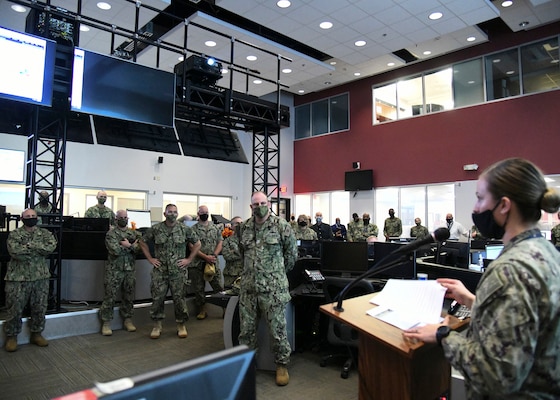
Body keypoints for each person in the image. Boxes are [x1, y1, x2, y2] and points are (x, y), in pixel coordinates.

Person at [403, 158, 560, 399]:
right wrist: (473, 301)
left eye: (479, 198)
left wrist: (443, 336)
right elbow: (528, 322)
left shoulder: (511, 270)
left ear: (504, 205)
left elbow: (497, 376)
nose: (476, 209)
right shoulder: (546, 252)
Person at [238, 191, 297, 386]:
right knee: (246, 330)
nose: (259, 206)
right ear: (251, 207)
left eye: (263, 203)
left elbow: (291, 255)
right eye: (256, 204)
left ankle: (281, 365)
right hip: (248, 289)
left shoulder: (281, 226)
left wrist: (275, 274)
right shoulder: (244, 228)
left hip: (273, 289)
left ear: (269, 204)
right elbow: (241, 254)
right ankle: (247, 365)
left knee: (277, 329)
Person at [139, 204, 201, 339]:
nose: (172, 214)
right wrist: (150, 258)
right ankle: (157, 325)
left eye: (175, 212)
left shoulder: (184, 229)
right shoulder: (156, 229)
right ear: (165, 214)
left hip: (178, 271)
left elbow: (197, 244)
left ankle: (181, 324)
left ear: (177, 214)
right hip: (160, 271)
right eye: (170, 212)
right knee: (157, 298)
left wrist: (189, 259)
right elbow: (142, 242)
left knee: (179, 299)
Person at [4, 208, 57, 352]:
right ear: (22, 219)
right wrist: (37, 249)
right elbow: (15, 252)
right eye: (28, 216)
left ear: (37, 218)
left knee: (39, 307)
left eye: (33, 216)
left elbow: (50, 248)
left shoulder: (45, 234)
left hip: (40, 277)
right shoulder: (15, 234)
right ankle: (12, 336)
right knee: (14, 308)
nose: (31, 218)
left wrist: (28, 246)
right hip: (18, 278)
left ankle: (37, 333)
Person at [99, 209, 142, 336]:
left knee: (128, 296)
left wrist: (128, 245)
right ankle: (106, 322)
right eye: (121, 217)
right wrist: (131, 246)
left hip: (129, 270)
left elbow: (140, 248)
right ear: (116, 219)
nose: (123, 219)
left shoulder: (133, 233)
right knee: (110, 296)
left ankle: (128, 319)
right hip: (114, 271)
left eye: (125, 217)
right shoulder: (111, 234)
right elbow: (115, 250)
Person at [190, 205, 224, 320]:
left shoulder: (215, 228)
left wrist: (214, 255)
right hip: (198, 263)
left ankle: (225, 309)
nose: (205, 214)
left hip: (213, 263)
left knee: (219, 287)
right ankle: (202, 310)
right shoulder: (193, 230)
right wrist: (205, 257)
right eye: (202, 212)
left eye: (206, 212)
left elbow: (220, 242)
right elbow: (191, 246)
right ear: (198, 214)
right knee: (199, 289)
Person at [221, 216, 243, 294]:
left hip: (244, 274)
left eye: (241, 223)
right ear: (232, 226)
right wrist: (241, 254)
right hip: (231, 275)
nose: (239, 225)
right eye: (237, 223)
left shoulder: (247, 240)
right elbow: (227, 256)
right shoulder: (227, 241)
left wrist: (235, 251)